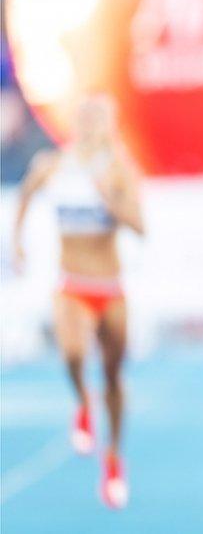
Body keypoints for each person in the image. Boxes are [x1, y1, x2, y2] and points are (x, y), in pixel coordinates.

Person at [13, 93, 144, 509]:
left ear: (109, 126)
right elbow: (27, 194)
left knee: (113, 379)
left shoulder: (120, 171)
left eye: (98, 120)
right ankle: (83, 405)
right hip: (71, 283)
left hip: (110, 287)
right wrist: (17, 242)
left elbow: (141, 227)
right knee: (71, 354)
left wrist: (112, 201)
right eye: (84, 120)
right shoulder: (53, 166)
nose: (90, 128)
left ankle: (113, 459)